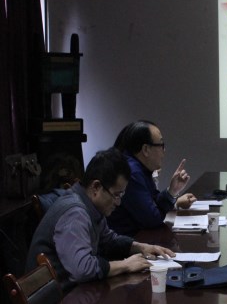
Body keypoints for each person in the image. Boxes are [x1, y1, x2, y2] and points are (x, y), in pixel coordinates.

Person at [27, 148, 174, 291]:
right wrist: (126, 265)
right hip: (56, 300)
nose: (118, 202)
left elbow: (108, 241)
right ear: (96, 187)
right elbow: (82, 269)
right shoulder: (75, 213)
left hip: (73, 290)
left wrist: (141, 247)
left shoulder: (91, 206)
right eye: (116, 195)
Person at [108, 120, 196, 236]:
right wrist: (169, 196)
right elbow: (153, 219)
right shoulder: (132, 172)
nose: (164, 150)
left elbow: (154, 203)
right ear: (146, 149)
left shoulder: (140, 168)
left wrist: (172, 191)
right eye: (161, 145)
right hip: (127, 240)